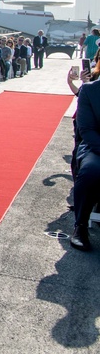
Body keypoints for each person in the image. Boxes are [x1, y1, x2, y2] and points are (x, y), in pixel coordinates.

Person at [71, 75, 100, 250]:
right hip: (95, 147)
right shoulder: (90, 90)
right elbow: (87, 130)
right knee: (90, 172)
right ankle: (80, 226)